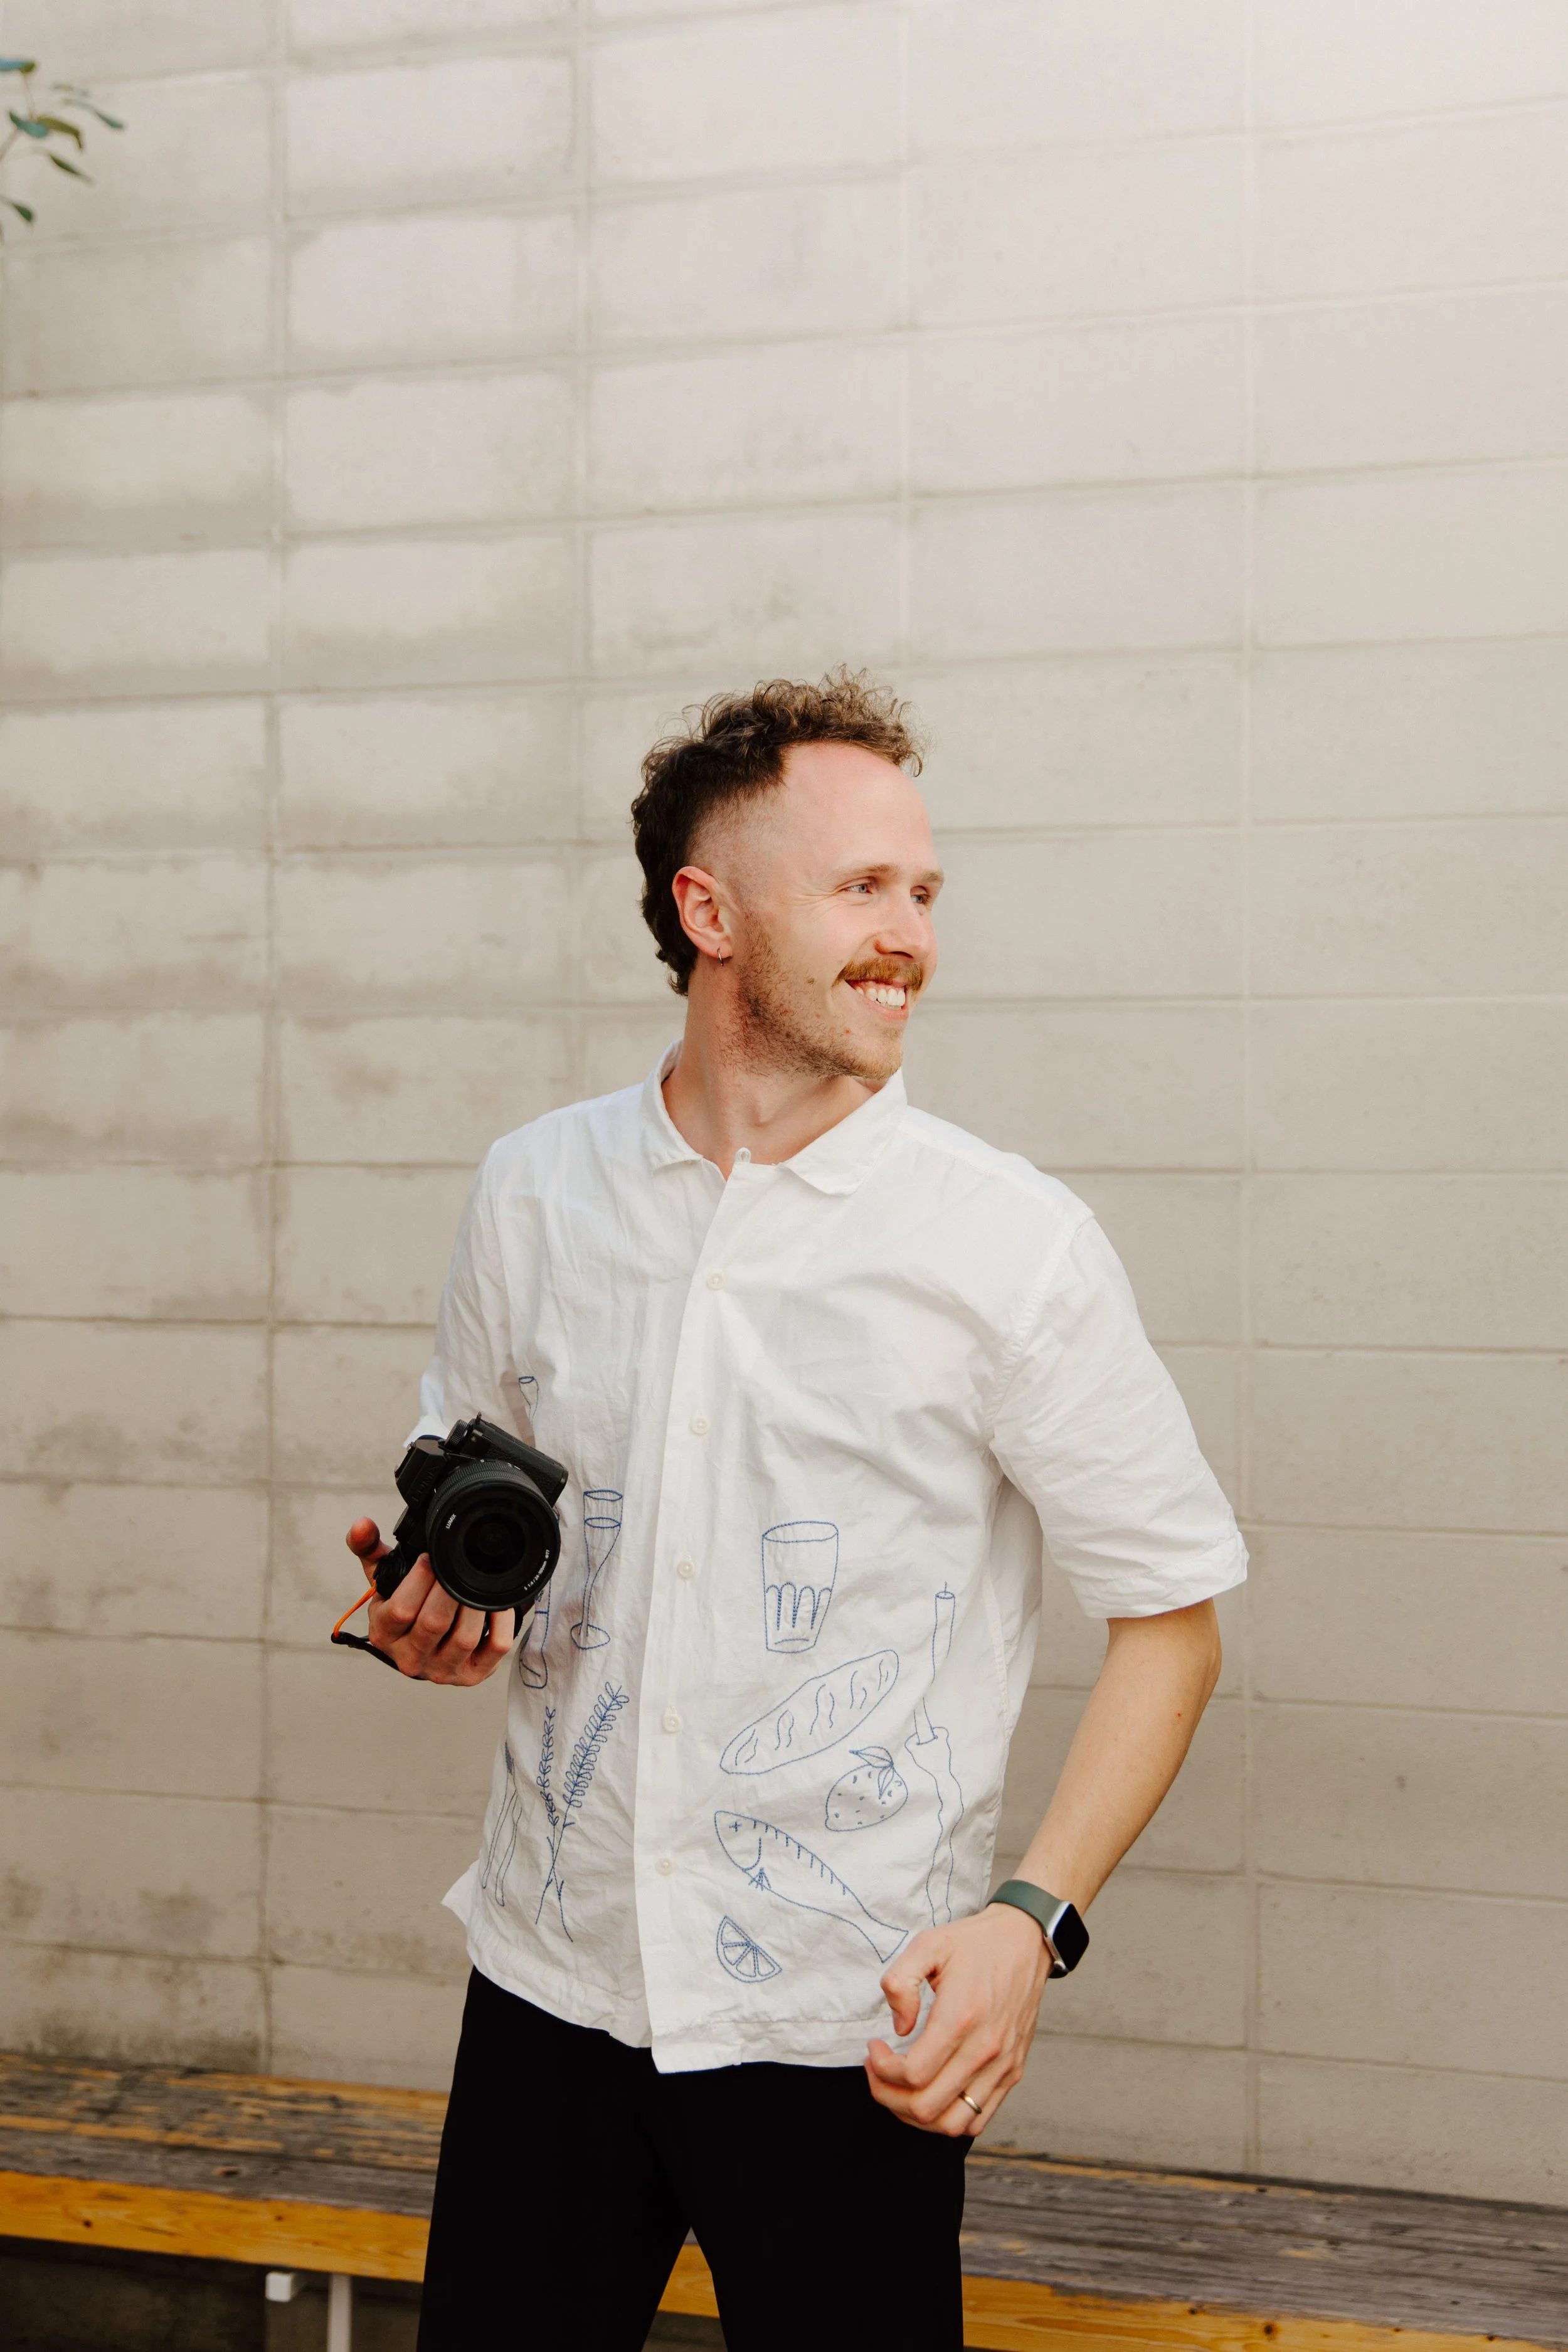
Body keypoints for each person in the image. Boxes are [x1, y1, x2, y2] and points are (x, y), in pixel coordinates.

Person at [344, 674, 1246, 2352]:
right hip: (553, 1986)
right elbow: (490, 1533)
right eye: (857, 888)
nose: (906, 932)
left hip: (849, 2025)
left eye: (921, 891)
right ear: (709, 910)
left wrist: (1023, 1918)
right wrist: (434, 1615)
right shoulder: (533, 1191)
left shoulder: (1008, 1244)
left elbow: (1172, 1621)